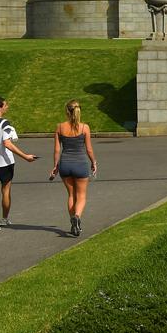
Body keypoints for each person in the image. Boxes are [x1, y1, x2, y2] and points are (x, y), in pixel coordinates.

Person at [0, 97, 37, 231]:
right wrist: (25, 156)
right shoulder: (5, 123)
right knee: (6, 191)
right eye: (5, 105)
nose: (7, 107)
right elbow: (7, 143)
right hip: (5, 163)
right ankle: (4, 219)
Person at [51, 99, 97, 236]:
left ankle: (73, 224)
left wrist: (55, 166)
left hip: (65, 164)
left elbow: (57, 150)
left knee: (71, 195)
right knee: (81, 195)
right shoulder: (85, 128)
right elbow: (89, 149)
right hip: (81, 164)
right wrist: (94, 162)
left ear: (67, 111)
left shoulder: (60, 127)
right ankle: (77, 217)